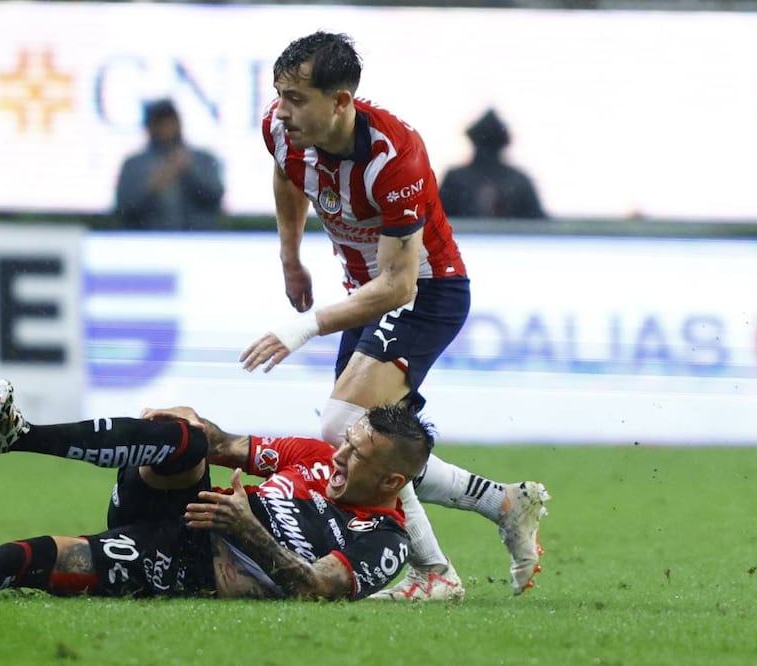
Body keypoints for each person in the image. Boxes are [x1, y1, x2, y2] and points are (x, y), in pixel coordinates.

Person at [240, 31, 550, 601]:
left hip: (424, 293)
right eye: (280, 95)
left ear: (341, 101)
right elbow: (289, 175)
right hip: (365, 292)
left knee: (342, 431)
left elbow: (399, 283)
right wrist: (290, 256)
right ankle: (503, 504)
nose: (283, 112)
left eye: (298, 98)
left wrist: (303, 327)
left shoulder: (394, 155)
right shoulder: (281, 130)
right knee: (359, 443)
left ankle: (435, 574)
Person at [0, 379, 434, 602]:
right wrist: (174, 423)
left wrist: (245, 530)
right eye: (348, 440)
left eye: (358, 453)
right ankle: (17, 434)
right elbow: (223, 443)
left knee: (36, 558)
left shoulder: (383, 540)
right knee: (186, 438)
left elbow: (317, 589)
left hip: (186, 563)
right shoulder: (320, 458)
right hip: (188, 507)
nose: (340, 453)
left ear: (394, 482)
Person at [113, 98, 225, 230]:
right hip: (148, 241)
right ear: (149, 127)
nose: (166, 128)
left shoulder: (203, 159)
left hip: (196, 240)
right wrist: (151, 186)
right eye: (160, 123)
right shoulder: (133, 164)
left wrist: (189, 171)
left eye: (170, 122)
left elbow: (216, 197)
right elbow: (122, 208)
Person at [439, 108, 547, 219]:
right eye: (484, 144)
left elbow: (538, 226)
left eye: (491, 145)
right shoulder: (455, 180)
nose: (487, 152)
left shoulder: (519, 182)